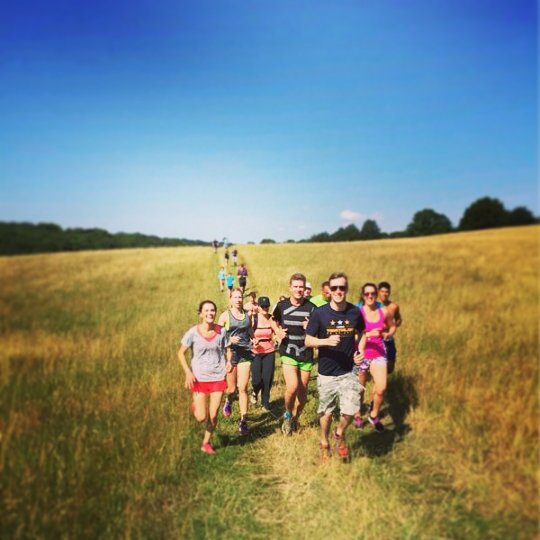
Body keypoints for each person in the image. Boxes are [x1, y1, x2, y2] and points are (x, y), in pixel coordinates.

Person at [305, 272, 365, 461]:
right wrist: (325, 341)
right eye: (335, 288)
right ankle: (324, 442)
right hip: (326, 373)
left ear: (346, 289)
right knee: (327, 412)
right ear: (329, 290)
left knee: (350, 408)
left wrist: (359, 351)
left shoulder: (355, 312)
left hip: (348, 371)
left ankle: (339, 433)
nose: (339, 291)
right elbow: (307, 341)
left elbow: (362, 333)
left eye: (342, 287)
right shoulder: (319, 313)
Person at [178, 300, 232, 454]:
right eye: (206, 311)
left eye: (212, 310)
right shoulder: (193, 332)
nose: (210, 313)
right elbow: (180, 353)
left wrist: (229, 361)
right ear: (200, 314)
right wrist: (188, 372)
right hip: (199, 379)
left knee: (213, 415)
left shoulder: (222, 331)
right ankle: (197, 406)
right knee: (201, 417)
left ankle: (206, 443)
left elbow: (228, 348)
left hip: (217, 377)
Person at [273, 273, 316, 435]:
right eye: (295, 287)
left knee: (303, 394)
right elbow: (273, 319)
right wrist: (277, 331)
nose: (298, 289)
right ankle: (287, 414)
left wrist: (310, 327)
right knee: (292, 387)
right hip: (288, 351)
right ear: (290, 288)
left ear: (305, 289)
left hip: (306, 354)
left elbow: (319, 331)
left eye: (301, 287)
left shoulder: (312, 308)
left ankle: (295, 420)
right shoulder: (282, 305)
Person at [354, 282, 396, 433]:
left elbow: (392, 326)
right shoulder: (357, 312)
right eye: (367, 294)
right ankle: (357, 414)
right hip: (361, 354)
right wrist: (367, 334)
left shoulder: (383, 311)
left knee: (381, 388)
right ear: (363, 295)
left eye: (373, 293)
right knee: (359, 389)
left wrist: (387, 334)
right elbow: (351, 334)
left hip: (378, 354)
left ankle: (373, 415)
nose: (370, 296)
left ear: (376, 294)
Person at [218, 289, 256, 435]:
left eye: (240, 297)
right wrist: (229, 340)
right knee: (232, 389)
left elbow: (250, 329)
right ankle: (228, 401)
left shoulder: (247, 315)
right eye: (235, 297)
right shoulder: (225, 316)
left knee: (243, 387)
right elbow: (218, 337)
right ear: (231, 299)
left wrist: (253, 338)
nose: (238, 299)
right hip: (230, 354)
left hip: (246, 353)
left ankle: (243, 421)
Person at [250, 296, 282, 410]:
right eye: (262, 306)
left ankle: (265, 401)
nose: (265, 308)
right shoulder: (253, 319)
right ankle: (254, 391)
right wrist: (252, 341)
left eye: (266, 306)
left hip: (269, 351)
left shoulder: (271, 319)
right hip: (255, 352)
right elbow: (247, 333)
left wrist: (279, 336)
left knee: (267, 378)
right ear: (258, 307)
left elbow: (276, 332)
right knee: (256, 380)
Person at [377, 281, 402, 375]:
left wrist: (393, 326)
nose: (384, 294)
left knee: (390, 367)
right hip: (376, 337)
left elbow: (398, 319)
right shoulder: (374, 306)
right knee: (377, 364)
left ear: (389, 292)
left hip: (388, 337)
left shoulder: (394, 306)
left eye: (386, 292)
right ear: (378, 292)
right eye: (382, 291)